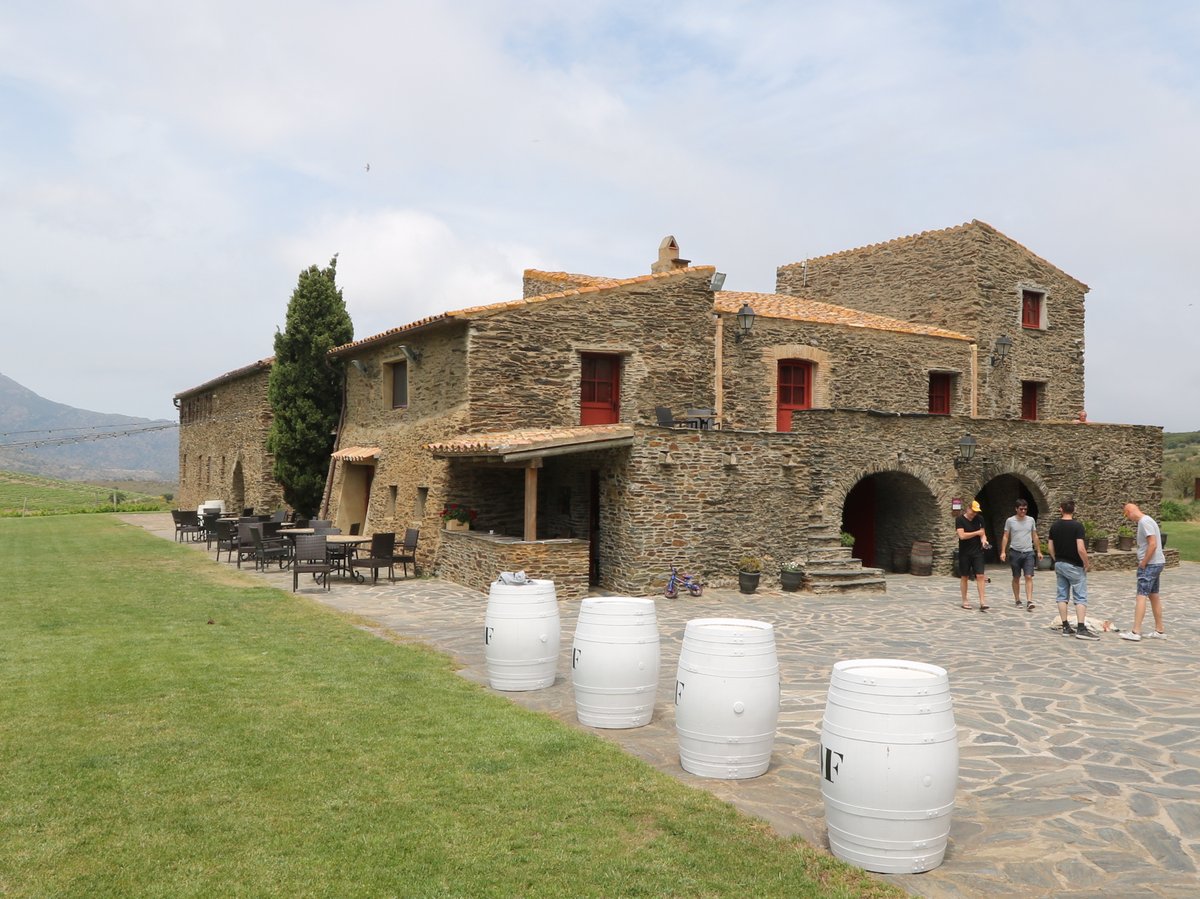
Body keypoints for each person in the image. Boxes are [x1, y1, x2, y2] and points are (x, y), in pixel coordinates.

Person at [1048, 499, 1098, 640]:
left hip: (1060, 563)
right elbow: (1081, 548)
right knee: (1080, 596)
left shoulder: (1054, 526)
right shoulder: (1077, 526)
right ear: (1073, 510)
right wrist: (1086, 562)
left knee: (1062, 595)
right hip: (1074, 565)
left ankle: (1065, 626)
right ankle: (1081, 628)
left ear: (1061, 509)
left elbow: (1050, 546)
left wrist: (1056, 559)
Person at [1120, 502, 1166, 641]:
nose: (1128, 519)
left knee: (1141, 595)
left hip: (1150, 564)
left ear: (1129, 511)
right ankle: (1159, 630)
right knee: (1154, 595)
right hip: (1157, 562)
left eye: (1127, 515)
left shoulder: (1144, 522)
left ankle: (1136, 631)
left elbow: (1152, 544)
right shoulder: (1148, 520)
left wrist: (1144, 562)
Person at [1000, 499, 1041, 611]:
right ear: (1016, 509)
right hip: (1015, 552)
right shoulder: (1010, 521)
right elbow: (1006, 536)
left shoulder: (1031, 520)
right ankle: (1017, 599)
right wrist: (1003, 551)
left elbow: (1034, 535)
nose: (1023, 511)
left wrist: (1039, 551)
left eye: (1025, 509)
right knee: (1016, 577)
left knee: (1028, 576)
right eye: (1021, 509)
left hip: (1028, 552)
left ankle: (1029, 600)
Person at [956, 499, 990, 611]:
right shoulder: (960, 519)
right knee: (964, 576)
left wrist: (984, 541)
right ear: (968, 508)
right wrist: (976, 533)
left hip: (978, 552)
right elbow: (962, 536)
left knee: (980, 575)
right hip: (965, 552)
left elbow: (983, 534)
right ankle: (965, 600)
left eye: (976, 512)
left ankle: (982, 601)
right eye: (973, 511)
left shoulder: (980, 519)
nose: (974, 514)